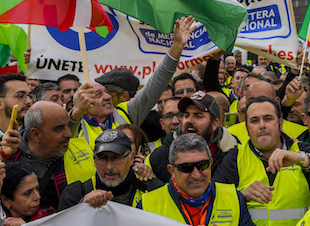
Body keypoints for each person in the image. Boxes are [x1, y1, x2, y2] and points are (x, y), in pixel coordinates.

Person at [214, 97, 310, 226]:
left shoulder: (300, 152)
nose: (262, 126)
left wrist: (300, 158)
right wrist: (242, 195)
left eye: (268, 119)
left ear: (280, 123)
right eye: (254, 120)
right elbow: (215, 198)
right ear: (246, 128)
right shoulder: (235, 156)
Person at [71, 17, 196, 147]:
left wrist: (176, 46)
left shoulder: (126, 113)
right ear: (82, 104)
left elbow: (158, 82)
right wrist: (76, 113)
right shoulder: (73, 125)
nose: (107, 97)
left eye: (107, 92)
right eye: (98, 94)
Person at [139, 134, 262, 226]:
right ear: (172, 170)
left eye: (202, 165)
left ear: (211, 163)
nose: (196, 175)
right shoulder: (147, 205)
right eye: (186, 167)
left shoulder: (234, 197)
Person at [6, 102, 95, 211]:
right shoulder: (11, 161)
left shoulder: (81, 148)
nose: (68, 134)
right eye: (59, 129)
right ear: (36, 134)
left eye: (68, 126)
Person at [58, 129, 164, 210]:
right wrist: (82, 208)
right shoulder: (74, 194)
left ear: (131, 158)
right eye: (103, 158)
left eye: (116, 158)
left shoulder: (154, 189)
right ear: (94, 160)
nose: (109, 167)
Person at [148, 91, 238, 183]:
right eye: (186, 115)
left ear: (214, 124)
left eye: (198, 116)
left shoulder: (235, 153)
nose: (189, 121)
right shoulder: (159, 157)